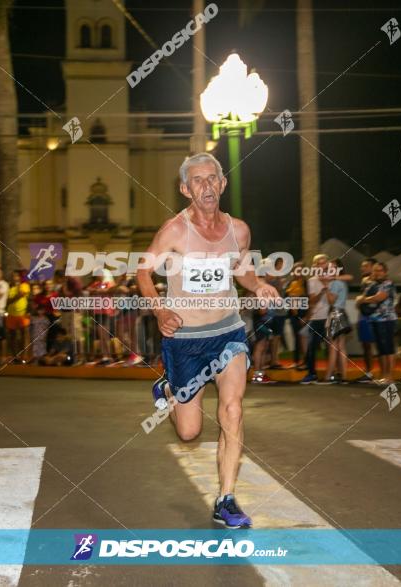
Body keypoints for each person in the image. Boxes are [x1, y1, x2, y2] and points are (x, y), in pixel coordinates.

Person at [137, 152, 279, 529]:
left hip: (228, 333)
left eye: (212, 178)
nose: (206, 185)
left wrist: (260, 284)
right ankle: (170, 390)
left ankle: (226, 499)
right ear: (186, 189)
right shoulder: (175, 231)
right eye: (198, 180)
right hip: (185, 338)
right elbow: (143, 271)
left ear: (223, 183)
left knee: (232, 411)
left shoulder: (239, 230)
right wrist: (160, 310)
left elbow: (242, 270)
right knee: (189, 432)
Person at [356, 261, 397, 385]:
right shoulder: (371, 284)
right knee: (380, 349)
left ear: (385, 272)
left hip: (387, 320)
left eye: (380, 270)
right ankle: (383, 376)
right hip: (374, 319)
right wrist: (362, 299)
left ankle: (389, 377)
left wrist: (364, 300)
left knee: (388, 349)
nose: (377, 273)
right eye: (375, 270)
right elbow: (359, 299)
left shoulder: (388, 283)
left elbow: (380, 297)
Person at [300, 254, 331, 384]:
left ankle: (333, 373)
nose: (321, 266)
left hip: (329, 317)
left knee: (331, 348)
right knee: (312, 347)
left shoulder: (332, 278)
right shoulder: (312, 281)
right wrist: (323, 291)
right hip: (317, 318)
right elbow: (312, 299)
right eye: (319, 263)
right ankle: (312, 373)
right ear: (315, 266)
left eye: (324, 263)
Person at [324, 259, 350, 384]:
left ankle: (329, 376)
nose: (330, 269)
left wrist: (326, 288)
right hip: (342, 312)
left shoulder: (334, 283)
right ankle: (344, 376)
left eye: (333, 267)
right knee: (341, 346)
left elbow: (331, 301)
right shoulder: (343, 282)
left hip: (335, 312)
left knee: (333, 346)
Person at [354, 258, 378, 382]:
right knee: (365, 345)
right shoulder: (364, 281)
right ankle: (368, 373)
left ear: (373, 267)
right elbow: (361, 300)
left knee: (378, 346)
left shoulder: (379, 281)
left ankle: (381, 374)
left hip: (375, 317)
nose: (362, 268)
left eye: (365, 266)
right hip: (363, 316)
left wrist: (362, 299)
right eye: (362, 266)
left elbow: (374, 299)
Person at [5, 270, 30, 364]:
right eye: (13, 276)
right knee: (12, 336)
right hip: (11, 314)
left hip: (22, 314)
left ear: (20, 277)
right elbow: (7, 301)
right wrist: (12, 299)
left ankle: (24, 356)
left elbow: (21, 294)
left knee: (24, 335)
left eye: (16, 276)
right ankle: (15, 356)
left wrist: (12, 298)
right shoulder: (10, 288)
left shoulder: (24, 285)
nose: (14, 278)